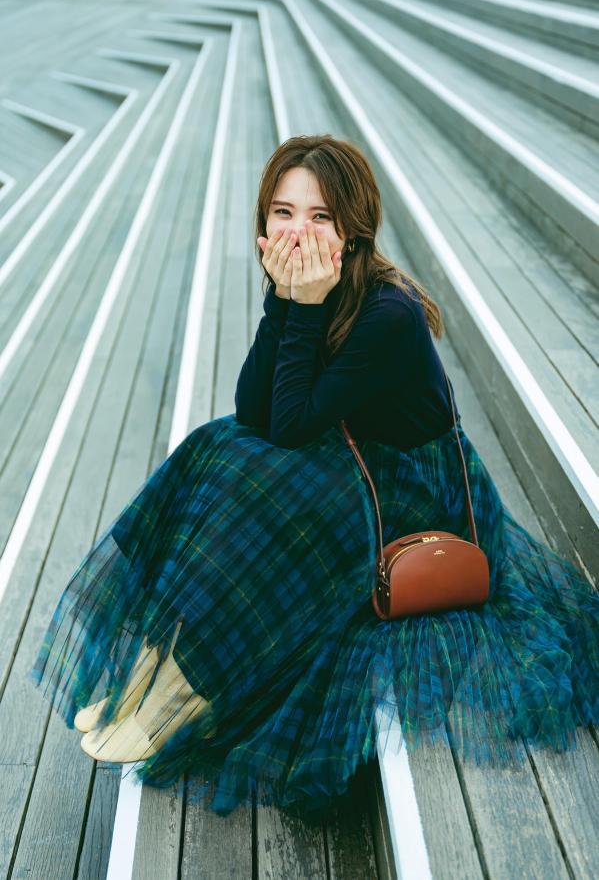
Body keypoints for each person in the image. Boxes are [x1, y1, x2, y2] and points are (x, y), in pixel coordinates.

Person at [28, 134, 599, 824]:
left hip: (417, 491)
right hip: (351, 455)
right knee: (217, 447)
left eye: (320, 216)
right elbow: (255, 412)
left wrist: (298, 308)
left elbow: (293, 424)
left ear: (352, 230)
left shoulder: (389, 314)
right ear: (263, 223)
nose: (298, 231)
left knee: (282, 493)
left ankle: (191, 687)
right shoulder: (305, 286)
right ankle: (156, 663)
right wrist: (283, 302)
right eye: (283, 212)